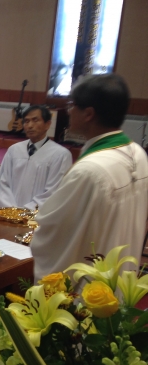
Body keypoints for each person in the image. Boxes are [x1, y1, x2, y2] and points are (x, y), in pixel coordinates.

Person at [31, 74, 148, 281]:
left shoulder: (90, 171)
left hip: (90, 284)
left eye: (72, 105)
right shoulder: (137, 152)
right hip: (121, 274)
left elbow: (56, 232)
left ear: (88, 114)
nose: (69, 111)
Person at [0, 105, 72, 210]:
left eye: (35, 120)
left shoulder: (60, 154)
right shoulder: (14, 150)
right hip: (9, 212)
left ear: (47, 124)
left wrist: (26, 211)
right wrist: (10, 210)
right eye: (26, 121)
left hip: (37, 215)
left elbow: (54, 191)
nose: (30, 125)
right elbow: (3, 183)